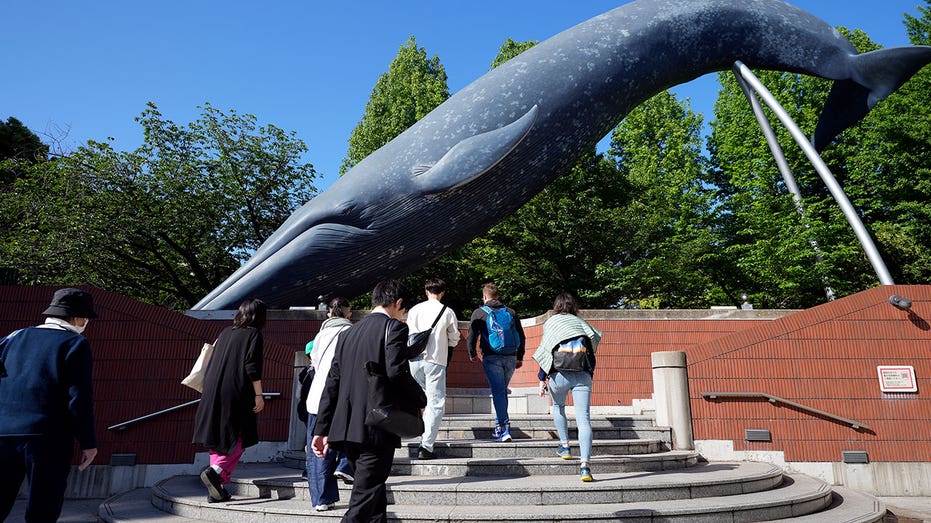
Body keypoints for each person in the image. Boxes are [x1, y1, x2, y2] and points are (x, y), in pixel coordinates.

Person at [311, 279, 426, 523]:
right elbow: (396, 372)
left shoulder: (347, 334)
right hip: (376, 426)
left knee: (373, 496)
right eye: (403, 309)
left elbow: (332, 384)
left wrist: (320, 429)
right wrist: (420, 398)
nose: (402, 313)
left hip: (346, 429)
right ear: (398, 303)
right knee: (364, 497)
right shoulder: (394, 328)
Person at [0, 288, 98, 522]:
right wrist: (88, 442)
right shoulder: (75, 343)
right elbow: (79, 397)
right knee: (43, 507)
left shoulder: (13, 337)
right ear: (76, 317)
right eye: (86, 318)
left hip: (4, 432)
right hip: (48, 437)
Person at [192, 298, 267, 503]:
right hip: (236, 392)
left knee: (218, 437)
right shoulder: (254, 334)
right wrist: (259, 395)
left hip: (212, 390)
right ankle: (215, 473)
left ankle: (217, 489)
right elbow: (252, 366)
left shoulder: (225, 332)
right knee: (238, 436)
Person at [532, 292, 601, 482]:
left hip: (558, 374)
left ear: (556, 306)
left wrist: (541, 378)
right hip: (582, 374)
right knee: (583, 419)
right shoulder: (581, 323)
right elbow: (593, 346)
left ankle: (565, 446)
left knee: (558, 406)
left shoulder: (552, 323)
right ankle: (585, 466)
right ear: (573, 306)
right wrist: (589, 372)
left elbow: (546, 349)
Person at [305, 297, 355, 511]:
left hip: (317, 398)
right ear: (349, 314)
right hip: (343, 396)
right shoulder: (352, 333)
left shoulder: (319, 336)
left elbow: (314, 363)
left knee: (318, 449)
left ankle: (322, 500)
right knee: (347, 434)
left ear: (329, 314)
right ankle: (345, 464)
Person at [406, 278, 461, 460]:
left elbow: (409, 333)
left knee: (422, 400)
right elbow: (454, 338)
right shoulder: (447, 311)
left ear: (426, 291)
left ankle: (419, 435)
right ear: (443, 292)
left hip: (414, 360)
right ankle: (426, 446)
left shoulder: (415, 310)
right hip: (436, 360)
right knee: (435, 403)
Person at [466, 283, 525, 443]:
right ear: (498, 296)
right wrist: (519, 356)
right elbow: (521, 335)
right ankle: (499, 425)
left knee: (499, 392)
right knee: (502, 391)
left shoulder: (479, 313)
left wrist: (472, 353)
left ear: (484, 297)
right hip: (511, 356)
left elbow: (471, 336)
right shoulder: (511, 312)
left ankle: (505, 429)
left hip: (492, 357)